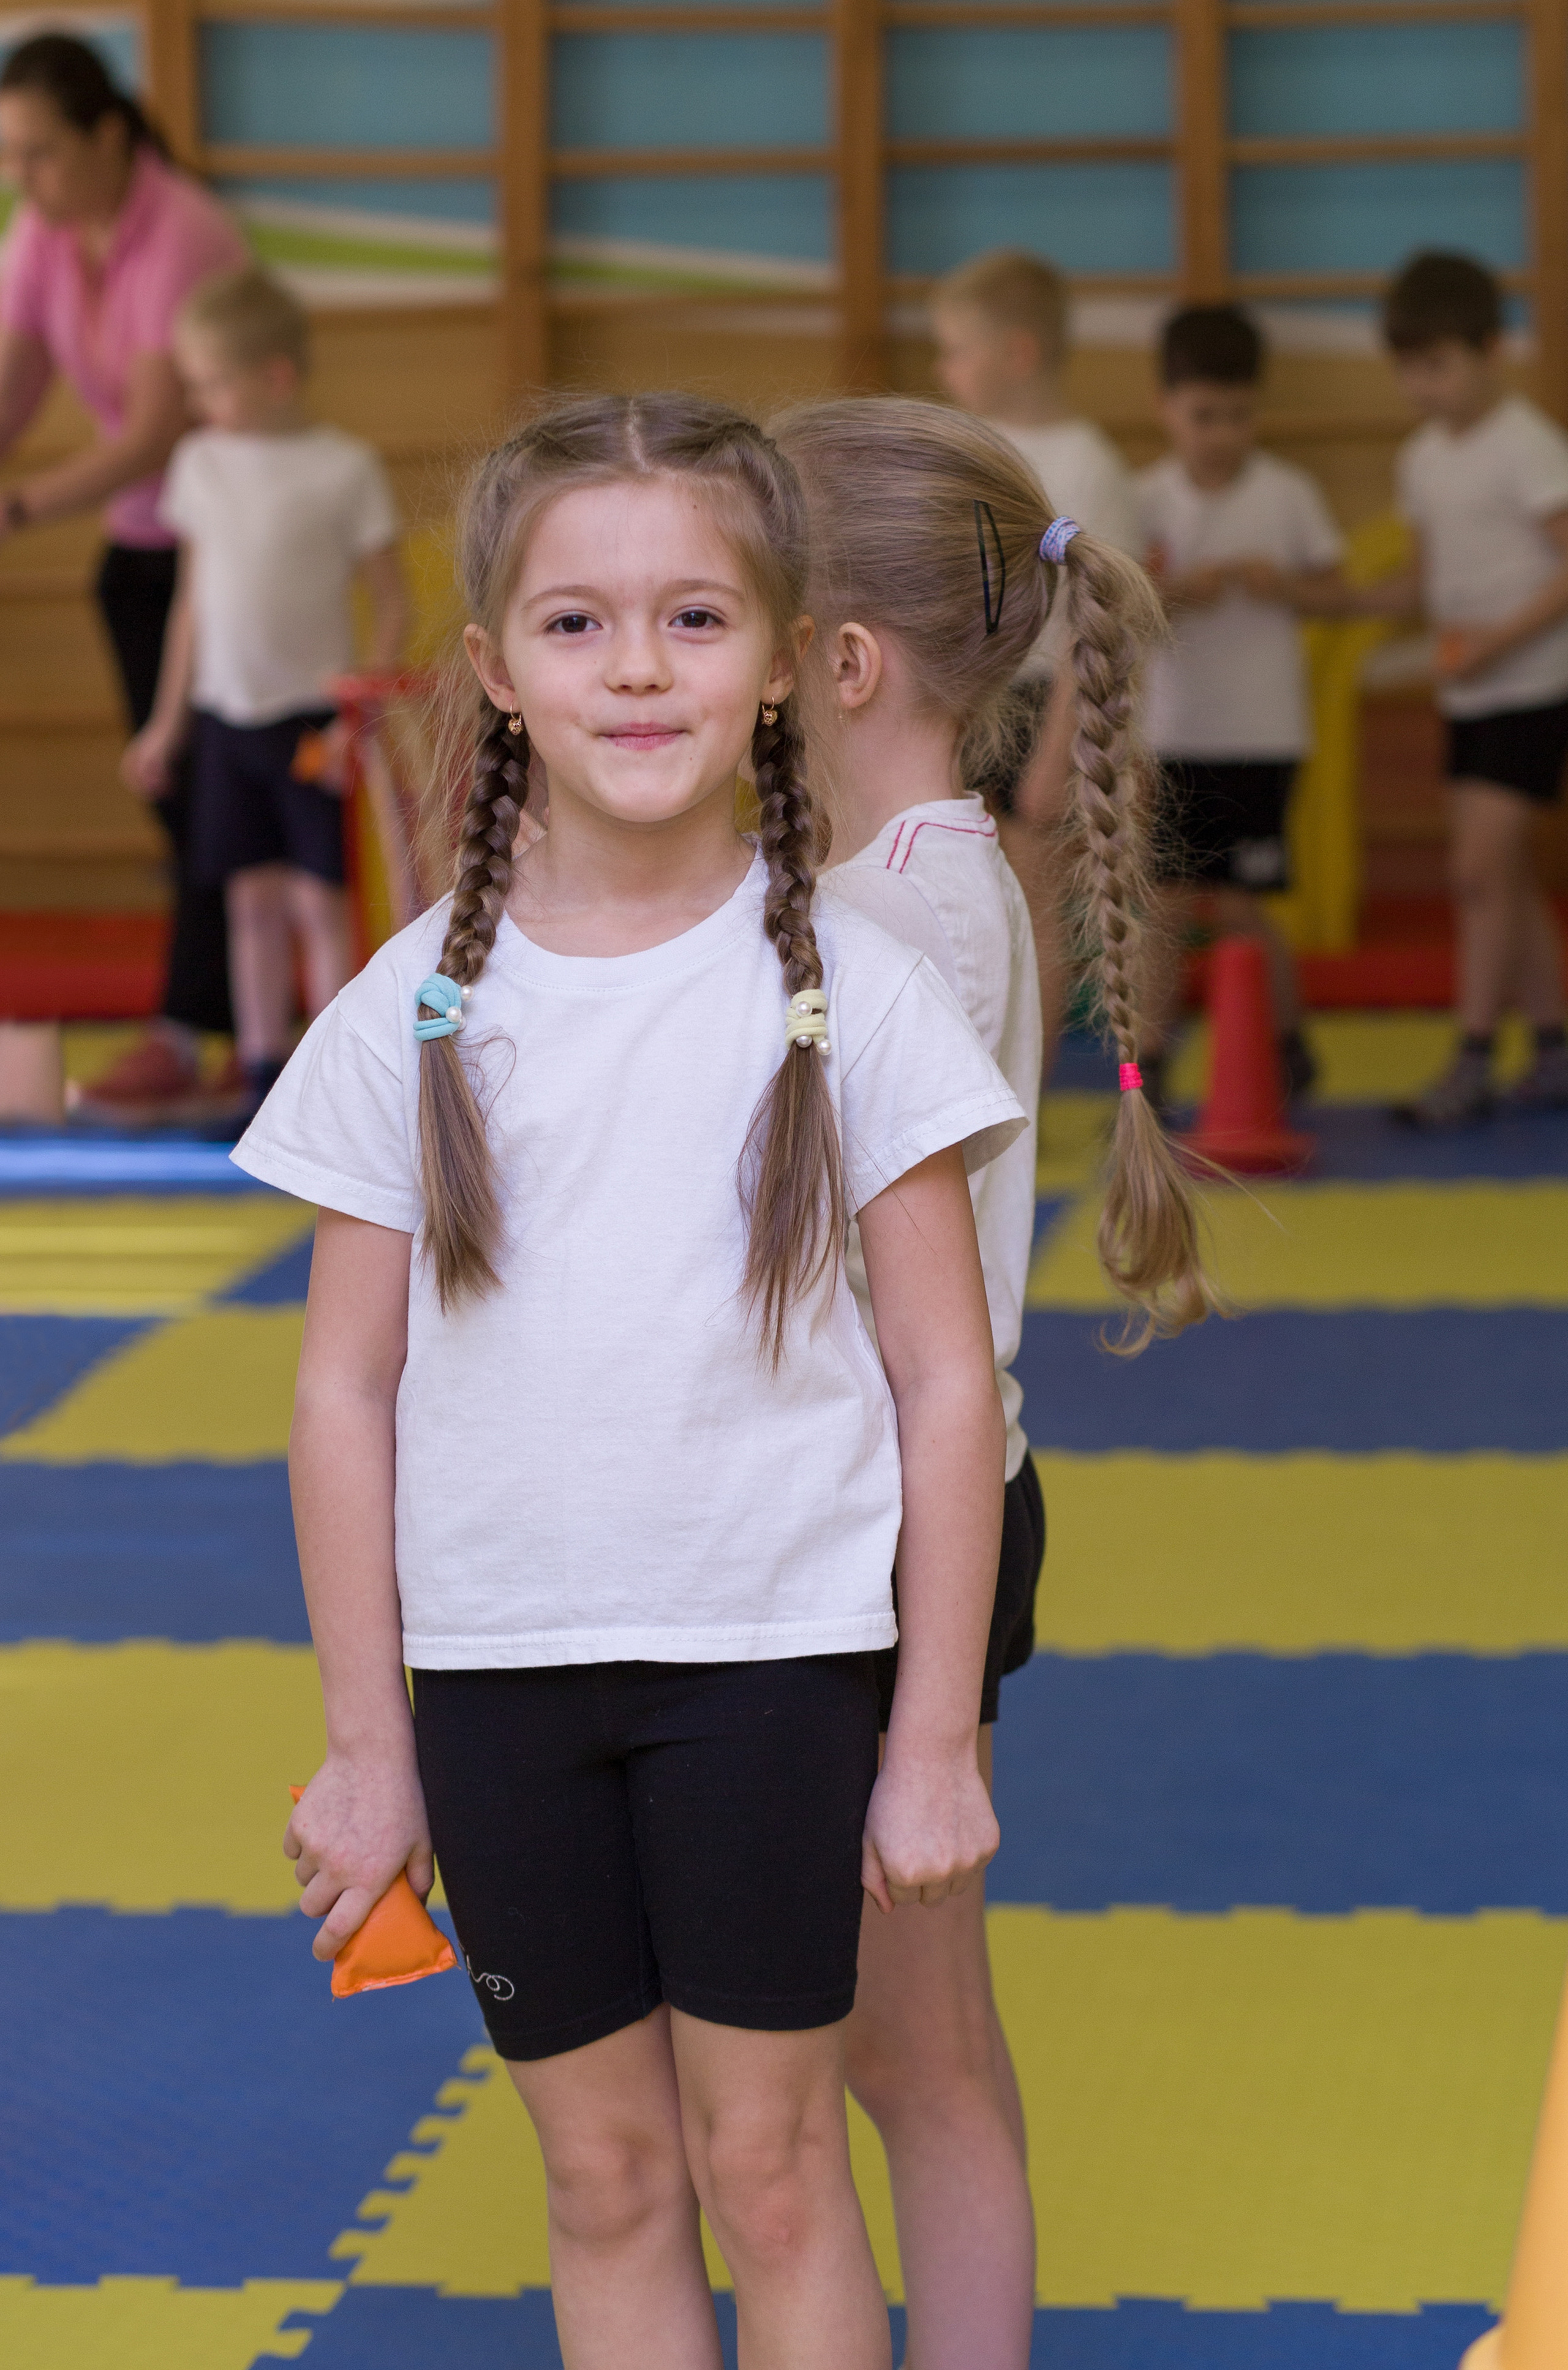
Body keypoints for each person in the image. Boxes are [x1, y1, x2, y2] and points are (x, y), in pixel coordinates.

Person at [230, 393, 1030, 2370]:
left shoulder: (859, 986)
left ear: (780, 663)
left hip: (774, 1673)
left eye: (693, 617)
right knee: (603, 2180)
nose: (638, 667)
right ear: (497, 673)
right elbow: (345, 1394)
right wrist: (366, 1741)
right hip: (499, 1686)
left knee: (771, 2171)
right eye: (578, 625)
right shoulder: (410, 1003)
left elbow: (947, 1386)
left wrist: (932, 1737)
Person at [774, 394, 1218, 2370]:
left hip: (889, 1542)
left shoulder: (896, 914)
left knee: (914, 2064)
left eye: (722, 618)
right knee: (890, 2059)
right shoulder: (905, 866)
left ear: (839, 660)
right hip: (863, 1528)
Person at [0, 32, 248, 1115]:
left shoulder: (179, 233)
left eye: (41, 153)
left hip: (220, 549)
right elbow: (11, 388)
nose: (25, 179)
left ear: (108, 135)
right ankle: (210, 1019)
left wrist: (17, 505)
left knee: (203, 794)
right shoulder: (46, 230)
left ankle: (195, 1028)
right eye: (10, 158)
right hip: (139, 553)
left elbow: (151, 433)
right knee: (174, 797)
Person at [123, 266, 405, 1127]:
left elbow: (393, 601)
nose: (198, 401)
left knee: (319, 902)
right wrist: (167, 724)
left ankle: (333, 1076)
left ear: (274, 375)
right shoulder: (201, 462)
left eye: (210, 383)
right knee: (247, 899)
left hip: (311, 722)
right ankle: (260, 1073)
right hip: (223, 720)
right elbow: (192, 606)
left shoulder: (343, 467)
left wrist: (361, 716)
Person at [1136, 304, 1356, 1115]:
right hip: (1172, 734)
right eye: (1203, 415)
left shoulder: (1288, 492)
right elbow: (1113, 601)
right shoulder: (1146, 497)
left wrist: (1288, 588)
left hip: (1264, 736)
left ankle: (1290, 1045)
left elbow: (1339, 594)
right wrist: (1172, 594)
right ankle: (1148, 1065)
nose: (1222, 432)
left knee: (1238, 905)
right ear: (1167, 407)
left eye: (1238, 414)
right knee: (1162, 901)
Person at [930, 249, 1142, 1082]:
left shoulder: (1088, 462)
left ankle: (1025, 1093)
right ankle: (967, 1079)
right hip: (973, 694)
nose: (945, 369)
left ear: (1016, 352)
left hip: (1046, 699)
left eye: (957, 350)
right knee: (968, 904)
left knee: (1029, 910)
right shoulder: (971, 447)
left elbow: (1099, 624)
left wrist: (1060, 749)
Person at [1378, 251, 1568, 1126]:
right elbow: (1417, 586)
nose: (1424, 386)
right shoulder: (1421, 458)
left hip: (1533, 686)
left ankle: (1474, 1056)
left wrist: (1500, 639)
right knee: (1504, 879)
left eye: (1440, 365)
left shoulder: (1529, 446)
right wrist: (1315, 601)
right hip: (1469, 691)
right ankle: (1556, 1042)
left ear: (1491, 349)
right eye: (1410, 368)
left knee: (1475, 871)